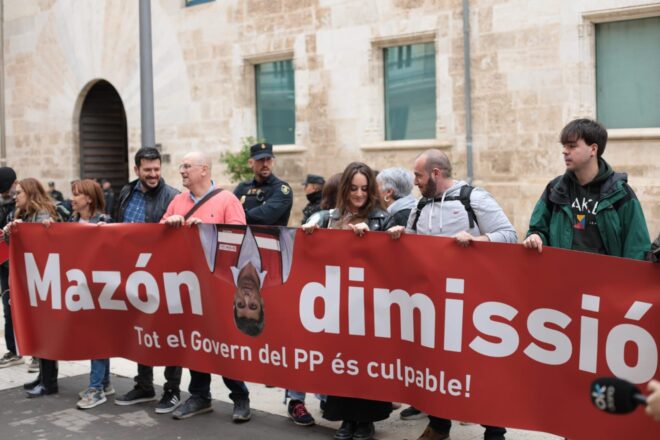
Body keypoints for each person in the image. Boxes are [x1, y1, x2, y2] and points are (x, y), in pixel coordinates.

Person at [388, 149, 517, 440]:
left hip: (474, 301)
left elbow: (509, 235)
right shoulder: (420, 207)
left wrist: (478, 240)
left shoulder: (474, 198)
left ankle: (494, 432)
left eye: (419, 175)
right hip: (431, 302)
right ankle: (439, 425)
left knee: (481, 367)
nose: (415, 182)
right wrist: (400, 235)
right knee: (435, 364)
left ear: (435, 174)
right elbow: (412, 245)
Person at [162, 151, 252, 423]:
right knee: (195, 342)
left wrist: (210, 230)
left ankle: (240, 397)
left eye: (187, 166)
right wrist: (169, 225)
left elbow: (240, 241)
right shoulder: (178, 201)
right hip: (189, 286)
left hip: (219, 287)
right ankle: (200, 396)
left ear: (204, 170)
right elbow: (158, 233)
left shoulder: (228, 200)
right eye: (181, 166)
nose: (182, 170)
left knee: (222, 344)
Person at [303, 161, 390, 440]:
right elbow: (308, 242)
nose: (359, 194)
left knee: (366, 365)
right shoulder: (327, 217)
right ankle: (346, 420)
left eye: (364, 188)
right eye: (353, 188)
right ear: (345, 189)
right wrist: (309, 232)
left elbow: (392, 257)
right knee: (342, 363)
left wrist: (379, 237)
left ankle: (365, 421)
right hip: (336, 303)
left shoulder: (381, 218)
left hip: (368, 305)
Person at [114, 147, 183, 414]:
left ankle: (172, 390)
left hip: (163, 276)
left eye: (157, 169)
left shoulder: (173, 197)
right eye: (148, 170)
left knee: (168, 333)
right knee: (141, 330)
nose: (154, 174)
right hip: (133, 274)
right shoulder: (125, 192)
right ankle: (144, 385)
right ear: (137, 170)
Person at [522, 118, 650, 259]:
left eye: (572, 146)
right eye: (564, 146)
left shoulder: (621, 193)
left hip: (607, 279)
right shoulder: (555, 189)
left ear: (593, 149)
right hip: (562, 276)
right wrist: (535, 236)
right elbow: (538, 230)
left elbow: (636, 247)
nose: (565, 151)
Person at [3, 178, 62, 397]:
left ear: (30, 193)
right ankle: (43, 377)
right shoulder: (23, 215)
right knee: (38, 330)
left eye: (19, 193)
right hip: (33, 279)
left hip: (44, 280)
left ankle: (49, 382)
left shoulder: (43, 216)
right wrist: (11, 234)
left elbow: (42, 249)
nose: (14, 196)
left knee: (44, 330)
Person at [66, 179, 114, 409]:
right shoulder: (70, 220)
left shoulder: (104, 222)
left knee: (98, 336)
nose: (72, 198)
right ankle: (104, 383)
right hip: (80, 288)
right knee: (96, 335)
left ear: (89, 198)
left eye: (76, 194)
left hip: (100, 288)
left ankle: (96, 389)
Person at [197, 224, 295, 337]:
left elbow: (203, 222)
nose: (247, 297)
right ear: (261, 303)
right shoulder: (281, 272)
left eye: (241, 304)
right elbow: (291, 228)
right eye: (253, 305)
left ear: (234, 301)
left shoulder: (216, 265)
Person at [234, 142, 293, 226]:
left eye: (268, 159)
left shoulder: (281, 189)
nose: (265, 164)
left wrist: (238, 216)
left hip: (272, 238)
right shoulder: (242, 187)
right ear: (250, 163)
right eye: (261, 160)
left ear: (272, 161)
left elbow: (265, 217)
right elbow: (229, 210)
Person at [0, 167, 21, 369]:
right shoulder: (2, 205)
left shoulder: (21, 203)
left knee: (25, 307)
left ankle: (33, 351)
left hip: (20, 265)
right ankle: (13, 350)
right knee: (8, 307)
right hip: (4, 264)